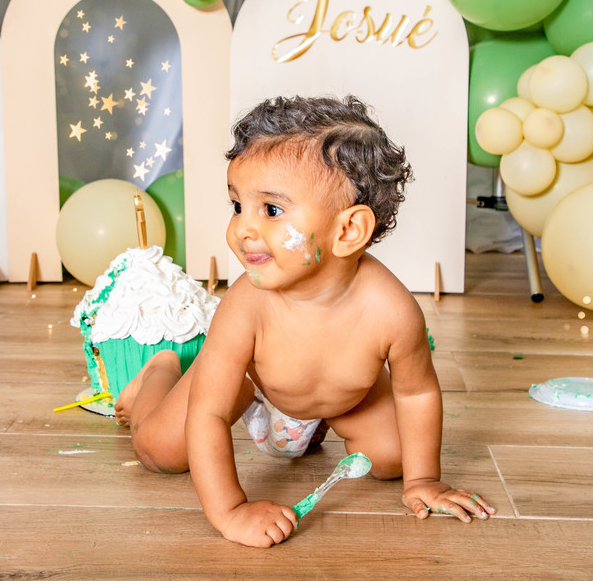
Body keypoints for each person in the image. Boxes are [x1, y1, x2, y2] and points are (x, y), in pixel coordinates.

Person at [115, 94, 495, 548]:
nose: (242, 229)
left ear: (348, 230)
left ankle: (324, 422)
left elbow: (417, 393)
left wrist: (424, 480)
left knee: (392, 458)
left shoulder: (391, 311)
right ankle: (159, 372)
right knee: (159, 451)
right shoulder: (247, 305)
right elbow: (209, 411)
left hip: (343, 397)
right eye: (237, 206)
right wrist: (231, 511)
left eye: (271, 210)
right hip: (250, 383)